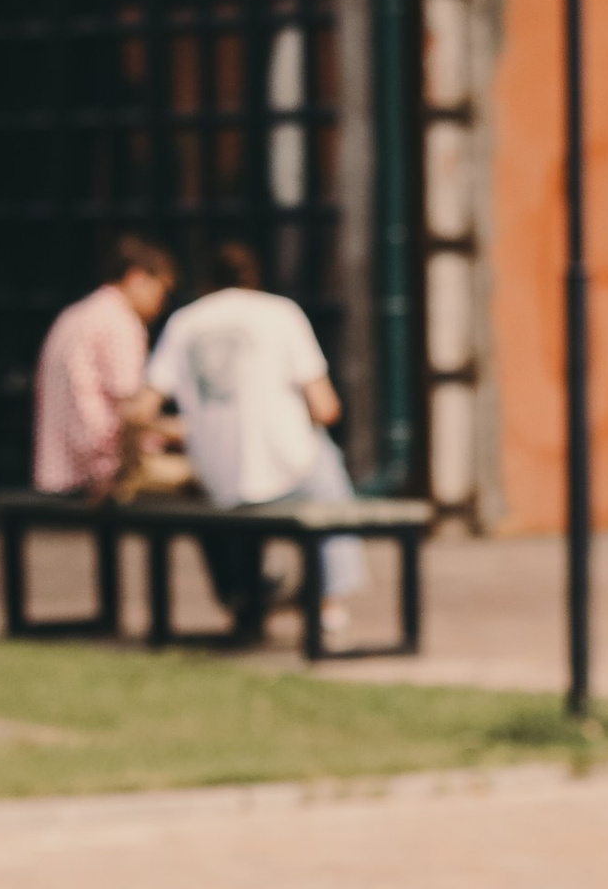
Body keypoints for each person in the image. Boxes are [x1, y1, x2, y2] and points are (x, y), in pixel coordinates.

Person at [144, 240, 364, 638]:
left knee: (222, 485)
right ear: (254, 280)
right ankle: (330, 597)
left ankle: (242, 597)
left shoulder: (184, 322)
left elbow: (145, 406)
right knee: (325, 461)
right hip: (286, 475)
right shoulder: (281, 313)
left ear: (208, 283)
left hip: (218, 481)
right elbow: (326, 407)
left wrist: (192, 429)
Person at [32, 238, 177, 498]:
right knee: (202, 479)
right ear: (136, 277)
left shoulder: (74, 315)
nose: (162, 303)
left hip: (59, 470)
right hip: (100, 472)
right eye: (161, 291)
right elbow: (132, 412)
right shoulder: (120, 322)